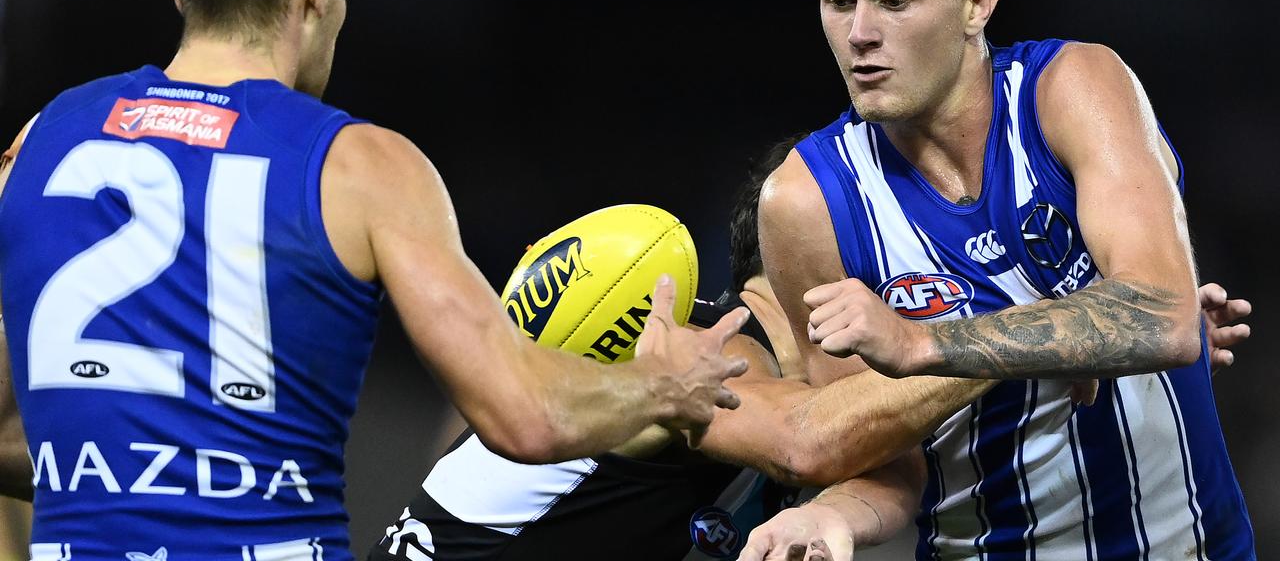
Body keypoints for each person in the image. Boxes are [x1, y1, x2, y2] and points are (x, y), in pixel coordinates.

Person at [0, 0, 748, 559]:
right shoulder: (360, 167)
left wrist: (128, 468)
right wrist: (663, 386)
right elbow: (526, 415)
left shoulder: (41, 141)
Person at [369, 135, 1251, 561]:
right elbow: (816, 437)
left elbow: (873, 462)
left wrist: (1103, 336)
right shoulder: (713, 350)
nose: (908, 303)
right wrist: (1052, 325)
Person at [735, 0, 1255, 560]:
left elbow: (1164, 318)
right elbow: (879, 458)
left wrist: (921, 344)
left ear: (977, 4)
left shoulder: (1073, 89)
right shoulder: (804, 200)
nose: (859, 33)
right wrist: (834, 518)